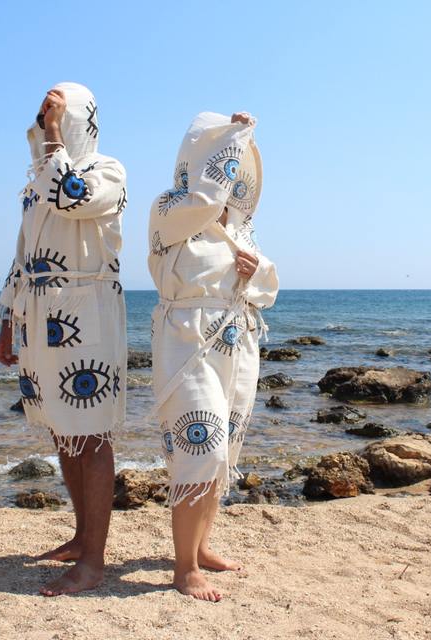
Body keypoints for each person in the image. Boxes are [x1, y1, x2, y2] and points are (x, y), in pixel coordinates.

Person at [0, 82, 127, 596]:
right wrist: (8, 321)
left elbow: (71, 197)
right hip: (39, 316)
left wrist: (52, 136)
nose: (48, 122)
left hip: (86, 314)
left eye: (57, 114)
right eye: (43, 115)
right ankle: (81, 537)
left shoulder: (107, 171)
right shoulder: (35, 184)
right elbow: (22, 253)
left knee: (90, 435)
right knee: (63, 431)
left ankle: (94, 561)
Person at [148, 111, 279, 601]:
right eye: (225, 157)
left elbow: (267, 290)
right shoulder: (171, 208)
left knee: (224, 450)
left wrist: (254, 269)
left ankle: (201, 548)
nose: (229, 170)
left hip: (237, 342)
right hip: (187, 339)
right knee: (199, 447)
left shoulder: (242, 228)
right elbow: (203, 200)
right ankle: (184, 568)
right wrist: (235, 132)